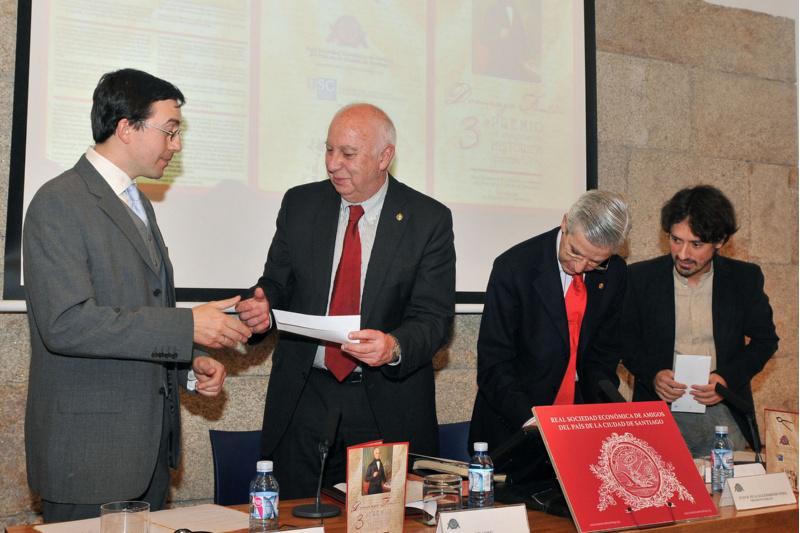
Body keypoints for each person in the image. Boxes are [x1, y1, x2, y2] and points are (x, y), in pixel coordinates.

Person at [23, 68, 252, 522]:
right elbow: (66, 324)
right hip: (89, 460)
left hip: (147, 457)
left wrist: (186, 364)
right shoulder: (59, 202)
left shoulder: (137, 201)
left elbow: (140, 311)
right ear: (126, 127)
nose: (176, 145)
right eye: (170, 131)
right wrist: (187, 325)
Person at [236, 103, 456, 499]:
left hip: (384, 404)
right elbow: (276, 283)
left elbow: (434, 318)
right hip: (305, 398)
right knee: (295, 517)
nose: (333, 164)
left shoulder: (428, 220)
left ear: (384, 157)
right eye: (329, 150)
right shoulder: (301, 205)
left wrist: (394, 347)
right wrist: (262, 307)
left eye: (348, 154)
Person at [469, 190, 631, 484]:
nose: (581, 267)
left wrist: (604, 415)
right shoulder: (514, 267)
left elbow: (603, 354)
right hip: (515, 429)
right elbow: (494, 364)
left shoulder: (615, 273)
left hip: (577, 431)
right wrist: (532, 421)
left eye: (595, 262)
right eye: (575, 252)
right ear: (565, 223)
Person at [621, 185, 778, 456]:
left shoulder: (744, 279)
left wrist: (726, 380)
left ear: (720, 241)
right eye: (675, 240)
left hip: (722, 416)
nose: (683, 254)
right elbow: (623, 340)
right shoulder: (640, 278)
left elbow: (765, 341)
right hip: (657, 412)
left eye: (696, 244)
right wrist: (653, 374)